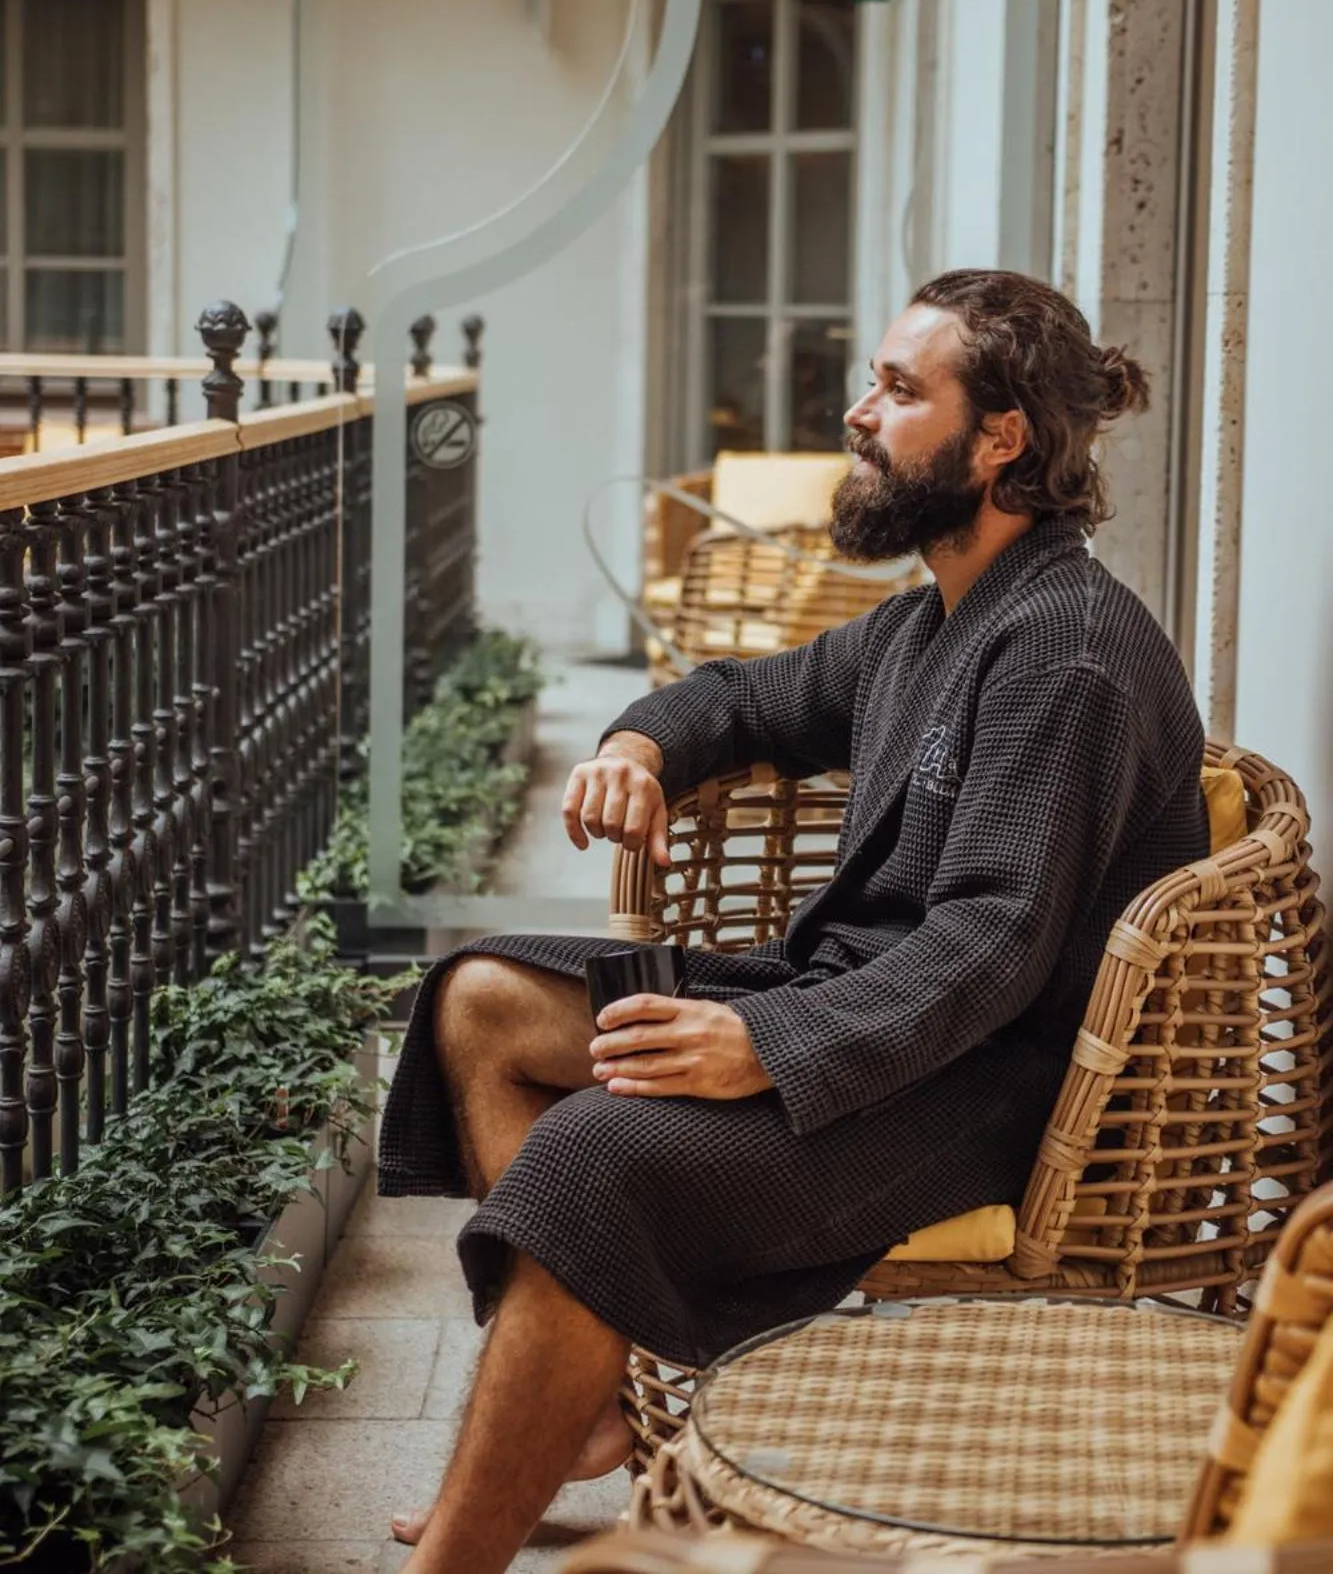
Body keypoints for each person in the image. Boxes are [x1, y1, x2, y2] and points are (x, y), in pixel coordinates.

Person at [377, 269, 1209, 1573]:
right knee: (481, 999)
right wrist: (642, 747)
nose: (857, 414)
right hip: (856, 1004)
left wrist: (770, 1046)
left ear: (1001, 441)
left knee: (599, 1157)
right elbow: (748, 699)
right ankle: (576, 1396)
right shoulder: (932, 616)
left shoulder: (1065, 651)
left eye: (897, 389)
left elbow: (988, 947)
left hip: (977, 1085)